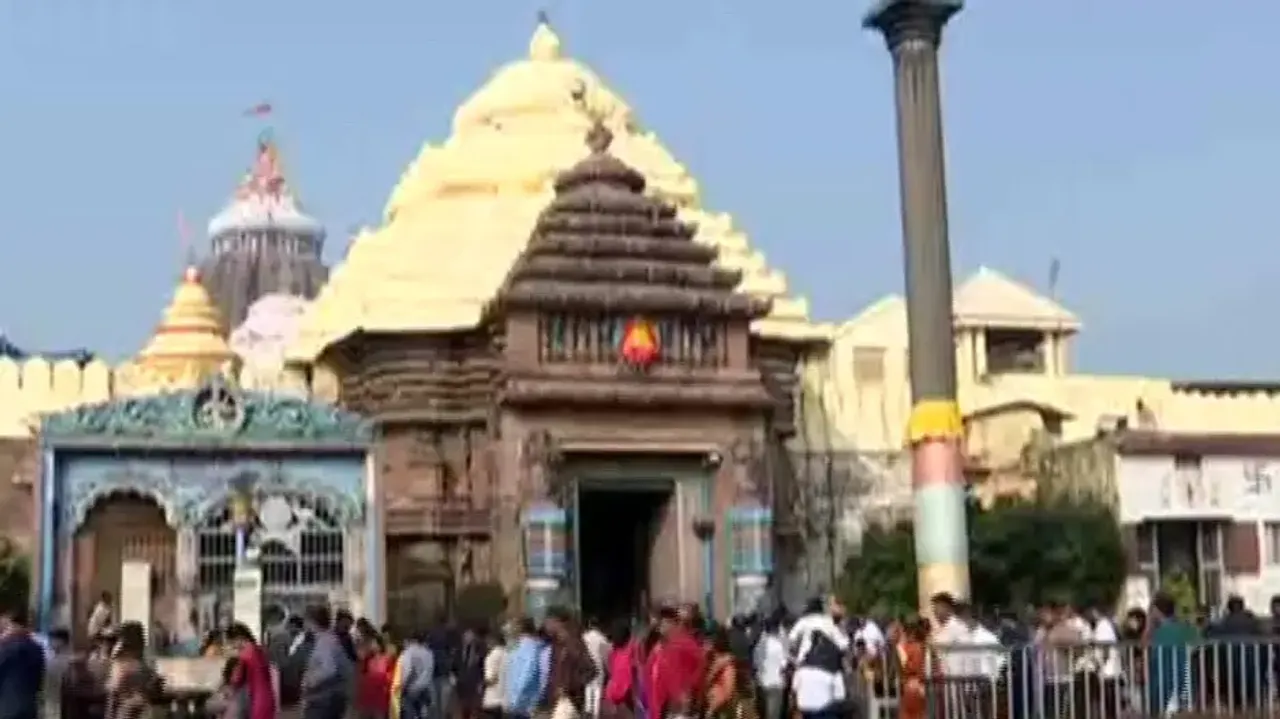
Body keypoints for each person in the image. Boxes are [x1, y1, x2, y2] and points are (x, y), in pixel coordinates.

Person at [788, 597, 849, 719]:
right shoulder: (828, 621)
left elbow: (791, 640)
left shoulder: (803, 621)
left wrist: (795, 657)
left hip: (804, 664)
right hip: (827, 664)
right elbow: (843, 644)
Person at [647, 605, 704, 719]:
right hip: (663, 709)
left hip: (679, 710)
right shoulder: (660, 649)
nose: (659, 628)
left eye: (662, 622)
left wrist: (687, 694)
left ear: (673, 622)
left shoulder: (683, 644)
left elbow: (699, 670)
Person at [301, 604, 355, 719]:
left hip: (323, 701)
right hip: (329, 699)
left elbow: (329, 669)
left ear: (312, 622)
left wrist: (310, 681)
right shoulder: (329, 639)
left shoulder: (325, 642)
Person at [542, 607, 596, 719]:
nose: (545, 626)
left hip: (569, 704)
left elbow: (591, 670)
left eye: (547, 622)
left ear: (557, 622)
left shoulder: (572, 642)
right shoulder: (556, 644)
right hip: (558, 703)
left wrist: (568, 687)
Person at [0, 605, 47, 719]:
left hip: (7, 709)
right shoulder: (36, 647)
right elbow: (39, 681)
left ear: (12, 623)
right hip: (29, 708)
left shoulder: (5, 648)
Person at [226, 622, 277, 719]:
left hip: (258, 701)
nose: (233, 646)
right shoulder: (258, 648)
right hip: (268, 697)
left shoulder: (245, 654)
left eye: (232, 642)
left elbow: (236, 679)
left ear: (239, 638)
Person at [503, 617, 546, 719]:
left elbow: (528, 674)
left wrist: (516, 699)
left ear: (519, 628)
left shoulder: (530, 647)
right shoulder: (519, 647)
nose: (508, 629)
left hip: (524, 705)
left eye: (511, 626)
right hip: (520, 704)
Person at [394, 629, 435, 719]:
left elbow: (407, 671)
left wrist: (402, 686)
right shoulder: (429, 652)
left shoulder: (409, 652)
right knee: (422, 714)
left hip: (412, 688)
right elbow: (430, 671)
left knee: (408, 713)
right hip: (425, 688)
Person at [752, 615, 787, 719]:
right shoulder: (779, 645)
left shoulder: (759, 645)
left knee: (763, 713)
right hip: (776, 683)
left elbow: (755, 663)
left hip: (761, 683)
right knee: (773, 715)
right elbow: (784, 664)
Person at [356, 632, 395, 719]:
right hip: (368, 691)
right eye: (371, 644)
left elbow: (390, 675)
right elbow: (362, 672)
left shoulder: (387, 658)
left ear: (380, 644)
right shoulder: (368, 659)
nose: (372, 646)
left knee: (379, 714)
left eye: (374, 643)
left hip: (381, 692)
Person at [582, 618, 610, 718]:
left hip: (587, 666)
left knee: (588, 688)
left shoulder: (584, 637)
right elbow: (606, 655)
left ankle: (587, 710)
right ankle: (595, 714)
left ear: (590, 624)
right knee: (598, 690)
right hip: (598, 666)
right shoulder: (602, 638)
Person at [481, 624, 509, 719]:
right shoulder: (508, 654)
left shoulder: (492, 656)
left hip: (492, 699)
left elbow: (491, 679)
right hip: (505, 700)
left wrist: (482, 683)